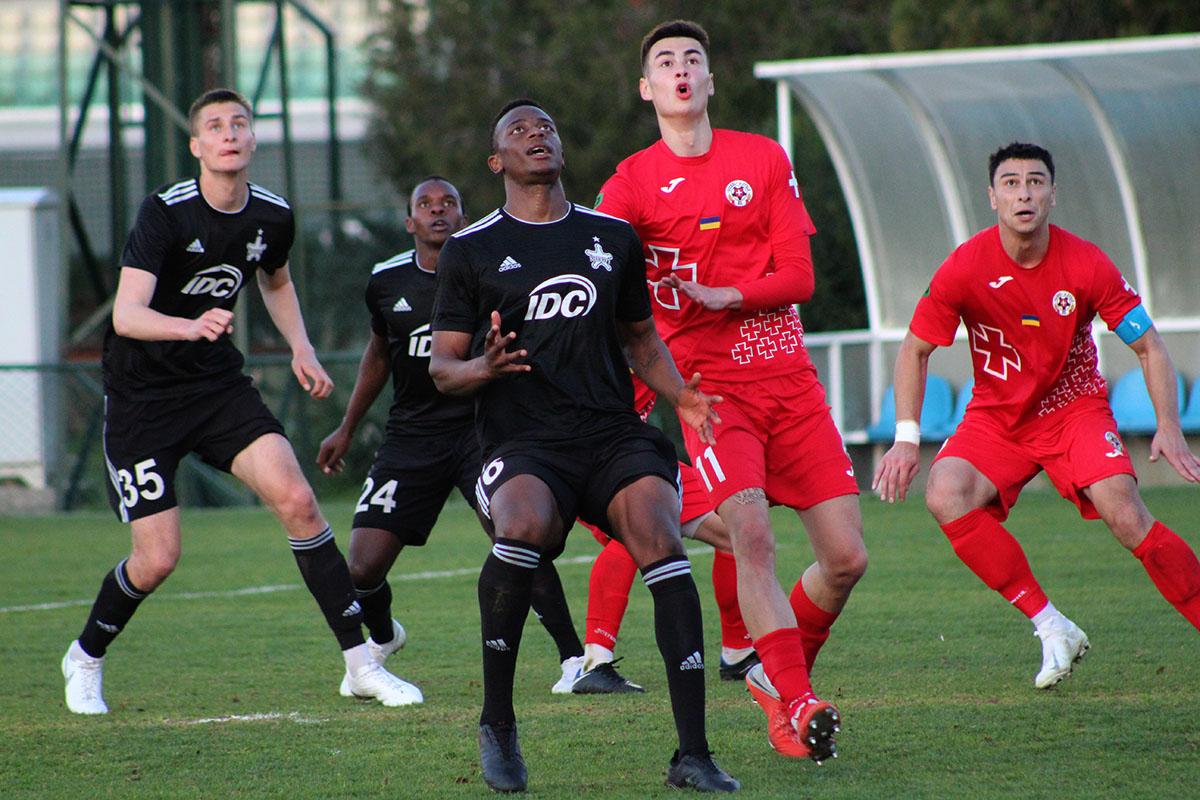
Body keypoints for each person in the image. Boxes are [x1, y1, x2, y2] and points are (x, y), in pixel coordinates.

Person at [61, 88, 418, 715]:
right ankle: (86, 656)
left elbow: (276, 282)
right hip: (143, 399)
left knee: (299, 502)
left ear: (253, 139)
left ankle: (362, 665)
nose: (229, 133)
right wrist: (189, 325)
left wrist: (302, 348)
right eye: (215, 126)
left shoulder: (273, 216)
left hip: (217, 389)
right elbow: (126, 314)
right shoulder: (166, 213)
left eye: (239, 124)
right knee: (158, 558)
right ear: (197, 146)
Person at [430, 99, 739, 793]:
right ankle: (498, 723)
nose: (537, 134)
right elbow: (443, 368)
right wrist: (484, 367)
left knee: (661, 537)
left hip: (609, 431)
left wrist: (682, 395)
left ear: (561, 149)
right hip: (522, 440)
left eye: (546, 126)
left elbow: (640, 341)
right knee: (523, 528)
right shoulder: (470, 250)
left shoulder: (612, 236)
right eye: (519, 130)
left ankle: (692, 754)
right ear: (497, 161)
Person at [595, 20, 864, 764]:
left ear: (710, 81)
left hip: (791, 383)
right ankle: (796, 699)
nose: (681, 69)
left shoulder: (763, 157)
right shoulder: (630, 184)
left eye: (693, 59)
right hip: (710, 395)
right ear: (647, 88)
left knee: (846, 560)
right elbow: (592, 267)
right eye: (665, 62)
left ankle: (776, 682)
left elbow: (799, 277)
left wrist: (728, 294)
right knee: (752, 537)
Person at [873, 141, 1200, 687]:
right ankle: (1052, 626)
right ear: (992, 197)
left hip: (1074, 409)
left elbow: (1149, 346)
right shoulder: (966, 265)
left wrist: (1168, 424)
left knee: (1124, 512)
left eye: (1035, 182)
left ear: (1052, 194)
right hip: (997, 417)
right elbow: (914, 348)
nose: (1023, 193)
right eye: (1011, 183)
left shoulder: (1086, 263)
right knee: (945, 492)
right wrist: (906, 438)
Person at [316, 176, 586, 700]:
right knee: (362, 566)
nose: (437, 211)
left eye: (449, 203)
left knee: (517, 538)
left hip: (481, 432)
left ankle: (574, 660)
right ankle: (383, 636)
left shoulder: (489, 267)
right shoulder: (386, 279)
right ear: (409, 221)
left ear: (464, 217)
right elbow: (378, 355)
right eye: (426, 204)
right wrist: (347, 427)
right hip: (410, 438)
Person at [574, 378, 755, 695]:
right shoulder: (606, 347)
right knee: (638, 532)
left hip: (637, 452)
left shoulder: (652, 346)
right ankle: (594, 663)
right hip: (592, 455)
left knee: (736, 533)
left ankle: (738, 653)